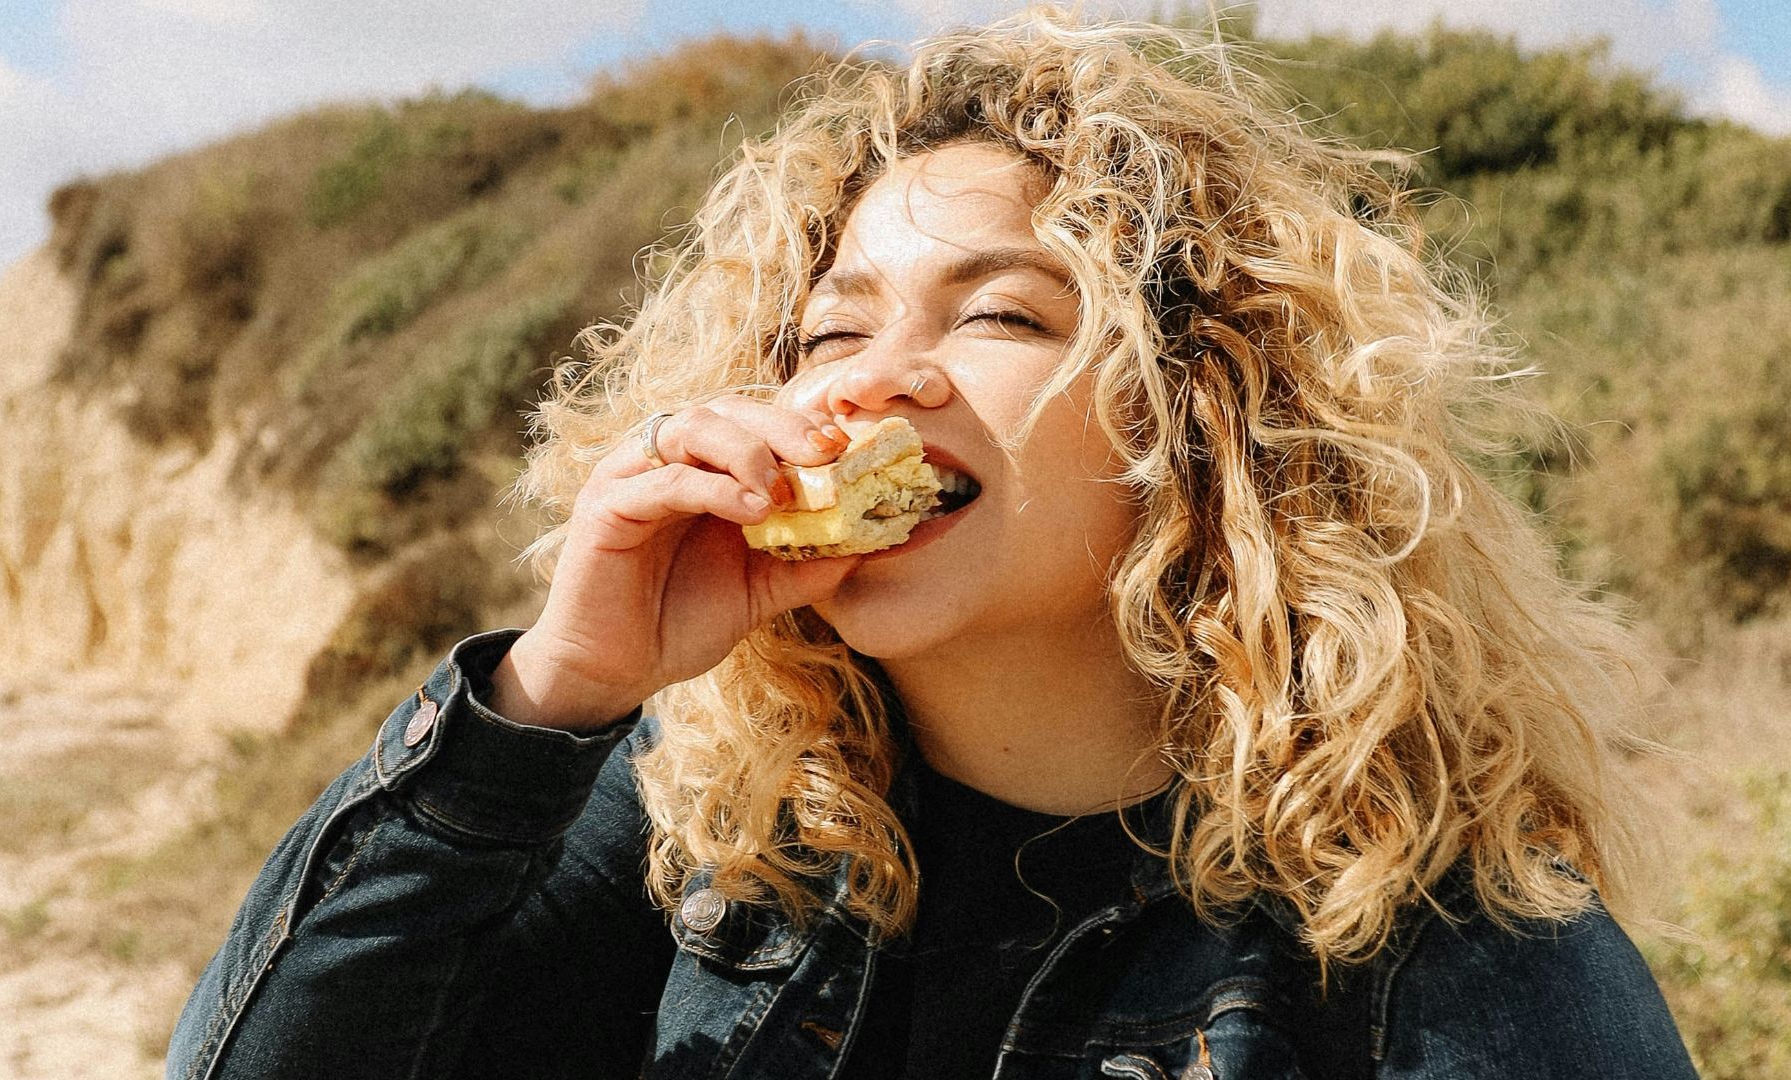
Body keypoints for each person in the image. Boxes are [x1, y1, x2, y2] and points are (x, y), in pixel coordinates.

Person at [167, 11, 1698, 1079]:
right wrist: (552, 696)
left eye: (999, 314)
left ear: (1205, 410)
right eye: (831, 329)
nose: (870, 378)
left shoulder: (1444, 957)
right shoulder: (705, 838)